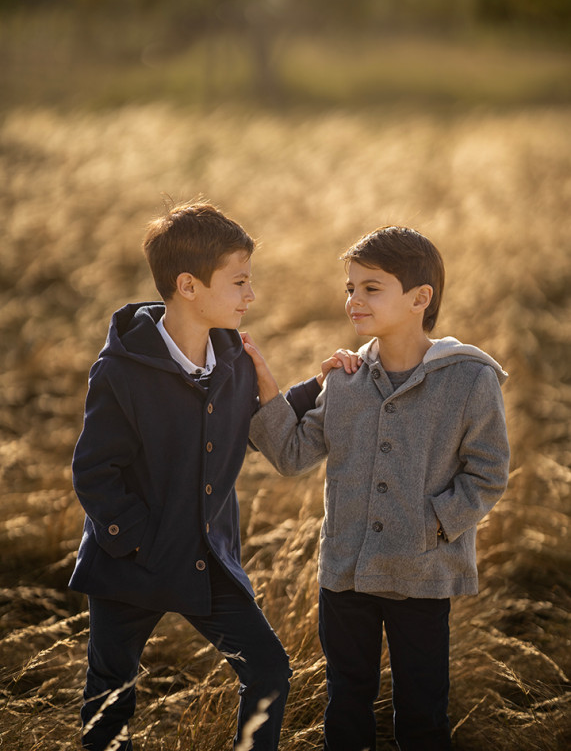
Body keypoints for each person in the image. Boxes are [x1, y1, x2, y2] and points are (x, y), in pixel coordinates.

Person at [69, 202, 349, 751]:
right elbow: (95, 471)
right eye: (240, 281)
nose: (251, 295)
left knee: (268, 672)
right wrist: (135, 540)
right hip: (130, 564)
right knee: (110, 695)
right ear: (189, 286)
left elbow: (245, 426)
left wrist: (318, 386)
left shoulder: (234, 359)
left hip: (207, 558)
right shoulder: (121, 370)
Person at [243, 225, 510, 751]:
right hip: (345, 573)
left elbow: (488, 471)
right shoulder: (344, 380)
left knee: (422, 709)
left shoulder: (469, 379)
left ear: (420, 298)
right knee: (346, 702)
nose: (354, 300)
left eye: (371, 287)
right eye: (349, 288)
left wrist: (434, 524)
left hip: (422, 573)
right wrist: (271, 391)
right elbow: (291, 455)